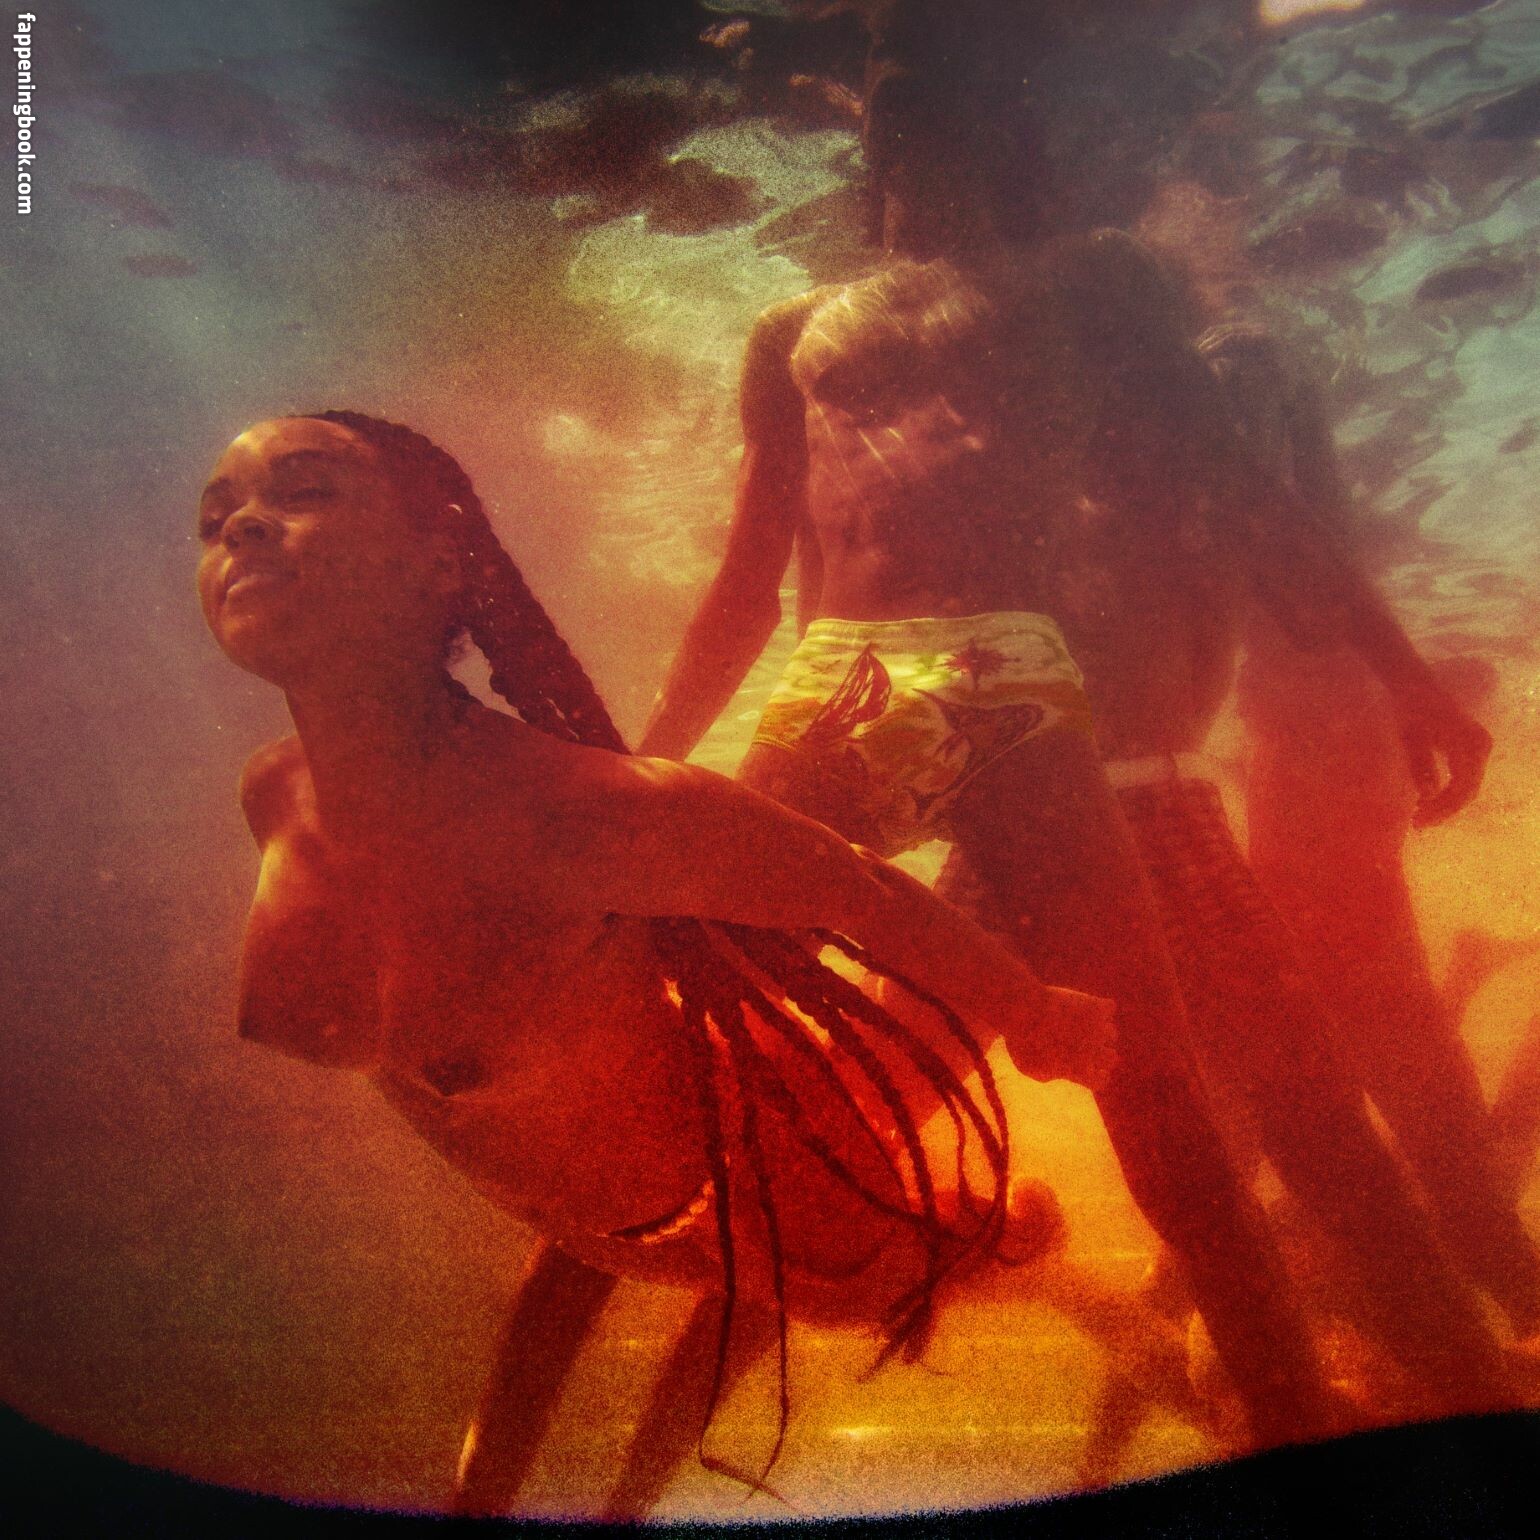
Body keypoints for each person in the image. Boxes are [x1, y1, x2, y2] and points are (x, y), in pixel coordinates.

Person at [636, 1, 1524, 1447]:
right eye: (892, 98)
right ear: (867, 127)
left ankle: (1369, 1414)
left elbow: (1244, 497)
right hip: (859, 692)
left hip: (1067, 737)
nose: (913, 129)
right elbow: (750, 578)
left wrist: (1404, 675)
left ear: (1014, 126)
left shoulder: (1097, 292)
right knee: (687, 990)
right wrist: (651, 762)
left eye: (946, 97)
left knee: (1214, 1114)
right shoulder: (796, 332)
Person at [196, 409, 1119, 1501]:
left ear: (438, 565)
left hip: (771, 1182)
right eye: (215, 516)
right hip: (606, 1213)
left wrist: (1035, 1012)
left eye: (303, 489)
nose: (241, 525)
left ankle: (1043, 1263)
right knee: (594, 1326)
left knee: (931, 1271)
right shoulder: (272, 792)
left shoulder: (582, 815)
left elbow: (857, 890)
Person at [1211, 321, 1540, 1342]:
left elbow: (1276, 534)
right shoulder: (1294, 603)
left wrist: (1413, 694)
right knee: (1372, 1007)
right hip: (1319, 732)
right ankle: (1493, 1254)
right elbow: (1287, 541)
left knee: (1376, 1010)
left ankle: (1493, 1254)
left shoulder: (1278, 584)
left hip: (1319, 738)